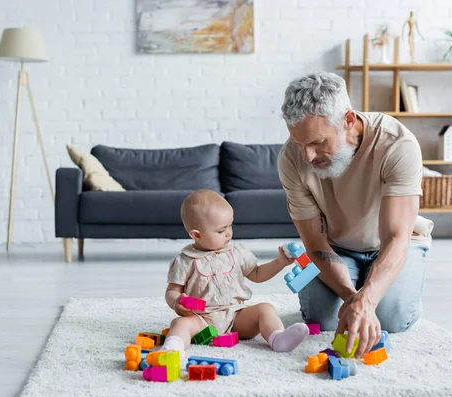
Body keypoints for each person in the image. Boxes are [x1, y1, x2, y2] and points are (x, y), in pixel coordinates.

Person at [277, 71, 434, 358]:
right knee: (321, 320)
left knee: (393, 319)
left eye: (318, 142)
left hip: (393, 244)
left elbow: (397, 236)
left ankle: (396, 288)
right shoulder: (291, 158)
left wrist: (370, 299)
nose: (308, 156)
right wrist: (355, 300)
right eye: (301, 143)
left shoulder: (397, 144)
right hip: (336, 247)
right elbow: (314, 244)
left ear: (348, 120)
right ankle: (360, 286)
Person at [160, 189, 309, 353]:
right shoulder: (184, 260)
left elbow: (257, 274)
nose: (228, 233)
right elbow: (172, 291)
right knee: (179, 323)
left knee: (265, 309)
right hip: (201, 319)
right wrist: (177, 302)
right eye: (221, 230)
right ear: (196, 235)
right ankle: (172, 348)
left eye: (230, 226)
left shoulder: (237, 252)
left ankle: (278, 338)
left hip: (237, 316)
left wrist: (280, 262)